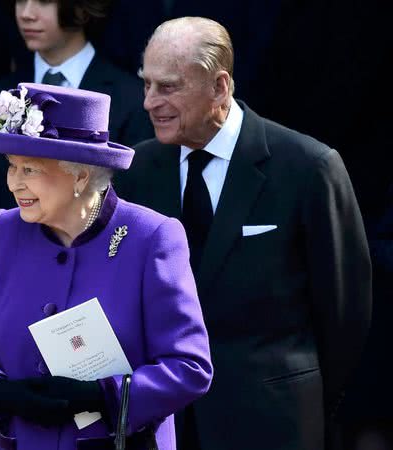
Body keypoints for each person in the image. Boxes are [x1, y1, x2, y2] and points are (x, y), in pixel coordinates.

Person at [124, 17, 372, 450]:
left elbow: (345, 310)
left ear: (219, 88)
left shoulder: (307, 167)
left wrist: (304, 398)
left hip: (272, 421)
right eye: (146, 84)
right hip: (164, 424)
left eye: (167, 87)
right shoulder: (136, 171)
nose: (149, 101)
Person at [0, 82, 213, 449]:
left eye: (29, 169)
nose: (14, 183)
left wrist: (102, 397)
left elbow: (190, 367)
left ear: (80, 175)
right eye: (12, 167)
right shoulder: (4, 230)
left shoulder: (152, 237)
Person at [0, 0, 153, 286]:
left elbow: (134, 207)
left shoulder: (131, 100)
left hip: (101, 285)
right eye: (20, 0)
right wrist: (2, 285)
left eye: (44, 1)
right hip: (7, 284)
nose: (26, 13)